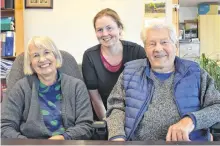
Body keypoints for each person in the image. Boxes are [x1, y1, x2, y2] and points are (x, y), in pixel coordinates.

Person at [106, 21, 220, 141]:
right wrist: (117, 136)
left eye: (164, 42)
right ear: (145, 48)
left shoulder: (195, 73)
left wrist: (191, 120)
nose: (158, 48)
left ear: (175, 46)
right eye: (152, 44)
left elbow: (217, 106)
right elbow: (116, 107)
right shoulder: (130, 72)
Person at [1, 36, 93, 139]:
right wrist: (27, 144)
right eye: (36, 55)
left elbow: (86, 125)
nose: (42, 59)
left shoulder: (77, 86)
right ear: (30, 63)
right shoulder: (21, 88)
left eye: (46, 52)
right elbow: (6, 127)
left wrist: (64, 138)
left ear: (55, 56)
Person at [82, 8, 146, 121]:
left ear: (120, 28)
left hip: (134, 116)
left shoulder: (137, 52)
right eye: (100, 30)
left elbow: (146, 89)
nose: (105, 34)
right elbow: (95, 98)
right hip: (104, 116)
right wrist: (108, 123)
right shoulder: (90, 56)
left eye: (109, 28)